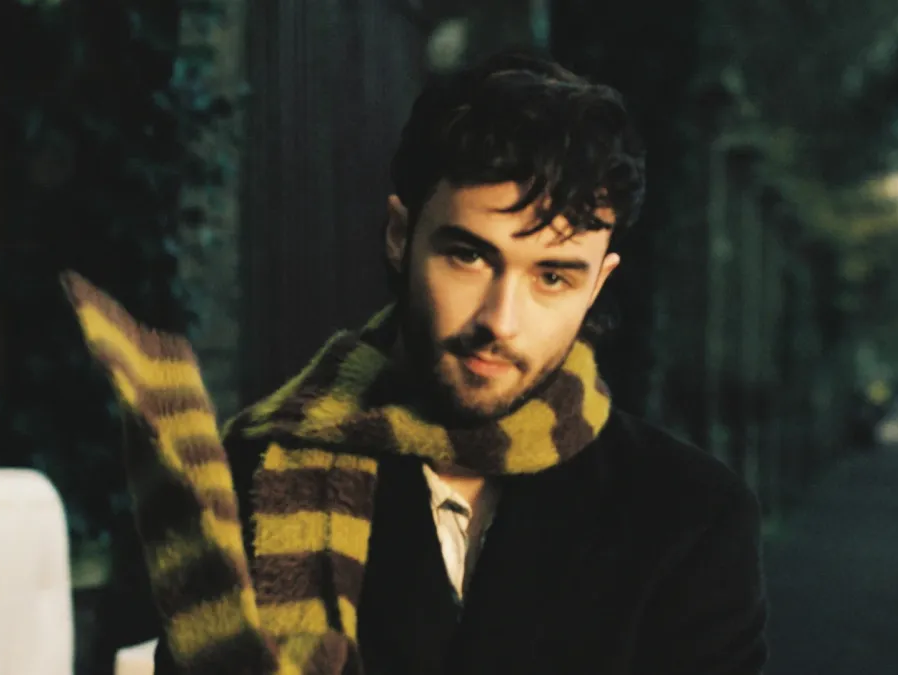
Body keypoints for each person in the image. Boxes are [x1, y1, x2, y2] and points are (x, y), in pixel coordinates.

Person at [64, 49, 767, 675]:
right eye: (469, 255)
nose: (500, 320)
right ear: (401, 235)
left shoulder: (687, 516)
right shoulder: (254, 472)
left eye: (552, 276)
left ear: (598, 285)